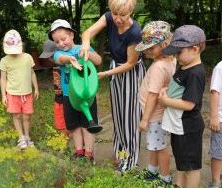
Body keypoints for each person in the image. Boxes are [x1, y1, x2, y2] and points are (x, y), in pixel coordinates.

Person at [80, 0, 145, 172]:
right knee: (118, 114)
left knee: (130, 117)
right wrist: (86, 45)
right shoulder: (109, 17)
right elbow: (87, 33)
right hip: (115, 67)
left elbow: (131, 63)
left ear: (130, 12)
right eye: (115, 14)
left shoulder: (135, 32)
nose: (117, 19)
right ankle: (121, 154)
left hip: (130, 73)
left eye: (122, 15)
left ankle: (130, 162)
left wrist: (106, 74)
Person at [158, 25, 206, 188]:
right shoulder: (184, 67)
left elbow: (189, 104)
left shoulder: (195, 73)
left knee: (191, 167)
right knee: (181, 162)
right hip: (178, 126)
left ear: (195, 48)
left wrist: (165, 101)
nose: (176, 56)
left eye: (179, 52)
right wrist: (167, 90)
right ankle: (178, 185)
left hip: (188, 127)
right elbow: (177, 88)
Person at [49, 19, 102, 160]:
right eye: (57, 41)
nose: (61, 43)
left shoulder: (83, 47)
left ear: (72, 35)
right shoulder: (57, 53)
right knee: (74, 126)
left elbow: (98, 61)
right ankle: (79, 152)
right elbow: (60, 59)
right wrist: (69, 59)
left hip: (87, 95)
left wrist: (87, 53)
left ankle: (89, 154)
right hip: (69, 96)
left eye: (63, 39)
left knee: (87, 125)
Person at [135, 21, 175, 185]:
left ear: (164, 45)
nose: (146, 50)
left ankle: (165, 179)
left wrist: (145, 119)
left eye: (151, 47)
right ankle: (152, 171)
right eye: (146, 47)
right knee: (155, 145)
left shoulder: (159, 67)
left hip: (154, 115)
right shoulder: (170, 61)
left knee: (160, 148)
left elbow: (153, 96)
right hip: (158, 114)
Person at [0, 29, 39, 149]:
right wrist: (3, 95)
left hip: (27, 93)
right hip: (12, 93)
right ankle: (21, 137)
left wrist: (36, 88)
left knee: (27, 116)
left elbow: (32, 73)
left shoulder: (28, 57)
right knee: (16, 116)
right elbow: (2, 79)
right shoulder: (4, 61)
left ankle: (27, 136)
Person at [39, 40, 69, 136]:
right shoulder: (56, 67)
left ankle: (65, 140)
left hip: (63, 98)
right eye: (50, 57)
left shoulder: (64, 66)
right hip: (59, 98)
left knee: (65, 122)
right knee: (61, 122)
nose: (50, 59)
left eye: (51, 57)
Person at [208, 58, 222, 188]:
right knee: (219, 153)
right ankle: (216, 182)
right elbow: (214, 92)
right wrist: (214, 116)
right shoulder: (221, 67)